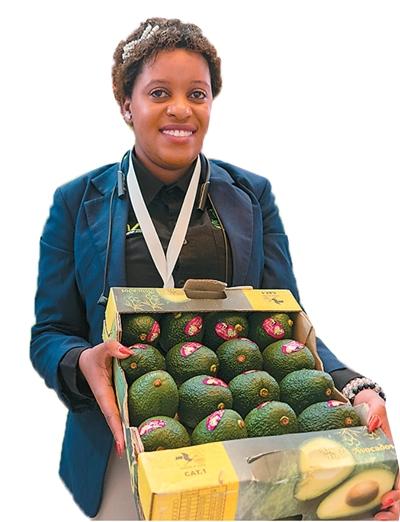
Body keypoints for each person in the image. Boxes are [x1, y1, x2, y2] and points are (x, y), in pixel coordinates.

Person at [30, 17, 399, 520]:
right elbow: (50, 333)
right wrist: (81, 362)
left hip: (242, 435)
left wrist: (355, 386)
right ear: (126, 104)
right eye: (159, 92)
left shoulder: (252, 196)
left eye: (197, 94)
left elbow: (286, 321)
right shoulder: (77, 203)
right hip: (121, 446)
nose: (181, 108)